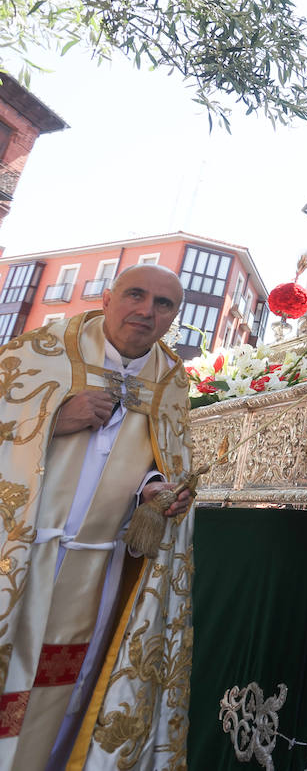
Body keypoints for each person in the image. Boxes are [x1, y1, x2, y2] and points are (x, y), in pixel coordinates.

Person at [0, 264, 194, 768]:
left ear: (174, 316)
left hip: (98, 565)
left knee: (64, 680)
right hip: (22, 552)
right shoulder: (38, 352)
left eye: (163, 304)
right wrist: (51, 422)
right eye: (135, 295)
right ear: (107, 298)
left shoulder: (171, 382)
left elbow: (160, 459)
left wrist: (155, 491)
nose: (146, 311)